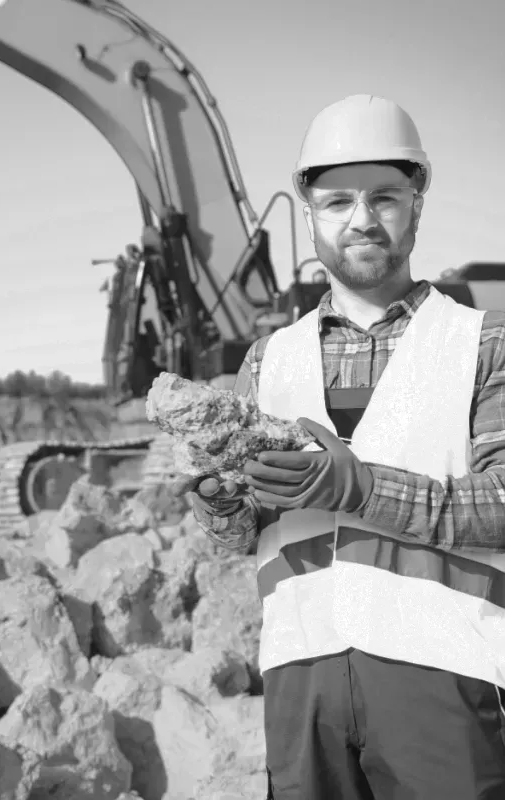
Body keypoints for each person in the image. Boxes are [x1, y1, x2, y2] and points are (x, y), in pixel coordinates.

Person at [172, 94, 505, 800]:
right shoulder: (266, 362)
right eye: (337, 202)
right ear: (310, 215)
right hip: (301, 675)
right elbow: (247, 537)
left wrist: (355, 488)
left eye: (384, 196)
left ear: (417, 202)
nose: (361, 219)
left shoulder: (484, 343)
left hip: (444, 674)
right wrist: (220, 505)